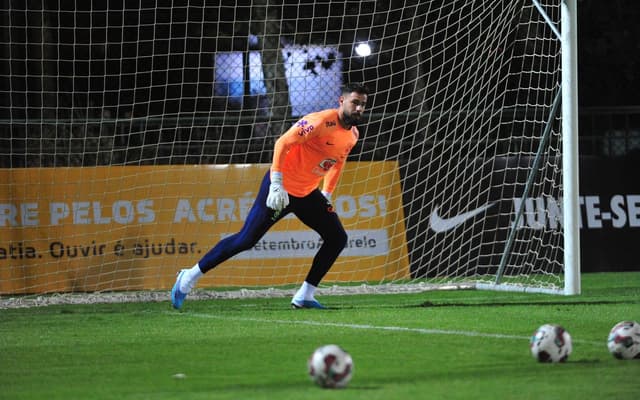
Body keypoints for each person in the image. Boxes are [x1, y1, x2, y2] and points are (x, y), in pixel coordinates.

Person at [171, 82, 369, 310]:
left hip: (307, 194)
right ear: (341, 101)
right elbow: (282, 142)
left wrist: (326, 193)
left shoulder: (353, 134)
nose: (359, 108)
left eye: (362, 105)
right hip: (281, 188)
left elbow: (337, 162)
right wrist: (276, 183)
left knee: (337, 238)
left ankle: (305, 296)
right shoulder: (319, 121)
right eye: (355, 102)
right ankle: (189, 276)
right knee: (246, 240)